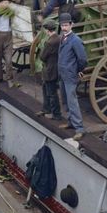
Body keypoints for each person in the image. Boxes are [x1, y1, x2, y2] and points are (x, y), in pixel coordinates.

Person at [57, 13, 87, 141]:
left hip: (70, 75)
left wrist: (78, 70)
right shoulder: (62, 38)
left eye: (66, 25)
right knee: (64, 99)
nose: (64, 28)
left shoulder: (75, 40)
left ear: (71, 25)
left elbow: (82, 59)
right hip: (62, 74)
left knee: (72, 101)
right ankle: (70, 122)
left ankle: (79, 128)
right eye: (62, 25)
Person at [36, 20, 62, 120]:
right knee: (46, 88)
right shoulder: (60, 38)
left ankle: (56, 114)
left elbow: (42, 57)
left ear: (47, 30)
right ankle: (46, 109)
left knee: (51, 93)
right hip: (56, 68)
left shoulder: (50, 42)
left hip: (49, 70)